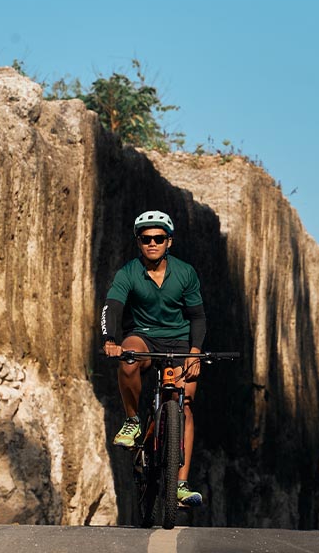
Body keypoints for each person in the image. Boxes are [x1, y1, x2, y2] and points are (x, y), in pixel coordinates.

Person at [101, 210, 207, 507]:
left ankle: (181, 485)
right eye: (146, 239)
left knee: (185, 406)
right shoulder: (128, 273)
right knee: (129, 358)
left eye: (158, 238)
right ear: (139, 242)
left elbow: (198, 317)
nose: (152, 243)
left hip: (180, 342)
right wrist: (111, 340)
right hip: (143, 336)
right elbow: (112, 307)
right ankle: (133, 421)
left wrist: (195, 353)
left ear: (168, 242)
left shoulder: (185, 273)